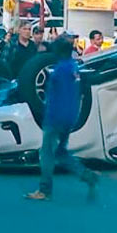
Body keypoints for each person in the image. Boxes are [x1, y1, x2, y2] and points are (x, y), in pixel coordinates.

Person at [24, 38, 98, 201]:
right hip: (70, 116)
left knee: (47, 154)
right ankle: (86, 175)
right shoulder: (73, 67)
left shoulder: (59, 71)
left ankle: (45, 190)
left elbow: (55, 96)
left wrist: (48, 116)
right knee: (61, 153)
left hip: (55, 117)